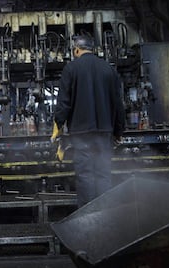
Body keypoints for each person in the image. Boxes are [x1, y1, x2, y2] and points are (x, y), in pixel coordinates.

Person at [51, 34, 125, 208]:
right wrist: (119, 132)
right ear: (93, 49)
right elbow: (118, 104)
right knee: (103, 174)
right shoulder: (108, 69)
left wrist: (58, 127)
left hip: (81, 132)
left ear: (76, 50)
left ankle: (87, 218)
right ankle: (106, 214)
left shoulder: (71, 68)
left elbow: (64, 103)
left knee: (85, 175)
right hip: (104, 131)